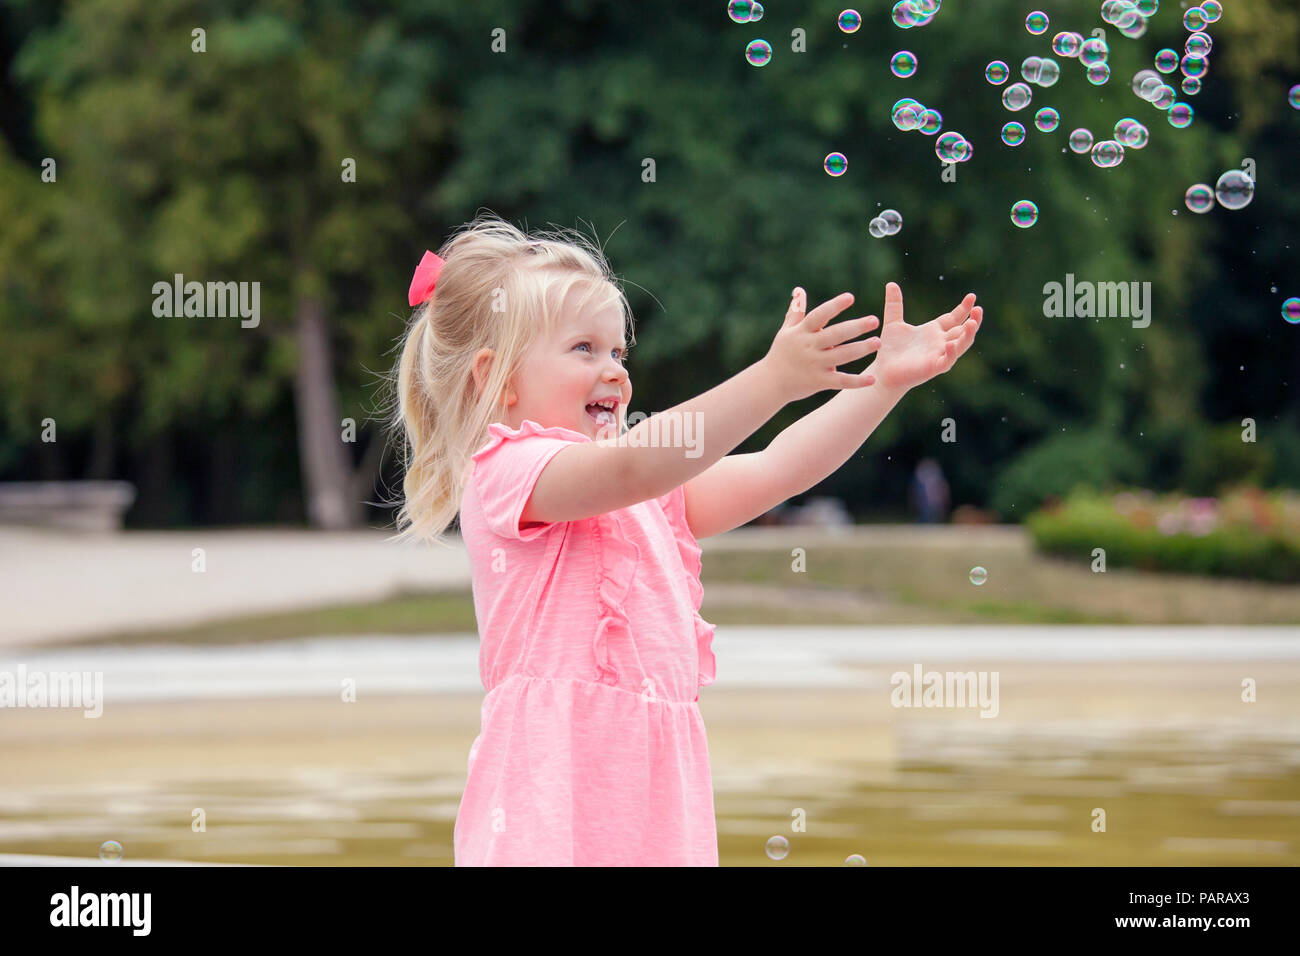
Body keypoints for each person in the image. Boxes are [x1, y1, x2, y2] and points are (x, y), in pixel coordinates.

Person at [388, 211, 983, 865]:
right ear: (496, 380)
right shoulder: (509, 471)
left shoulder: (647, 497)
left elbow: (777, 468)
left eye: (618, 351)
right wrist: (772, 381)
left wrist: (884, 385)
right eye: (583, 349)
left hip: (654, 807)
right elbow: (634, 463)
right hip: (548, 812)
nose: (614, 370)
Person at [910, 457, 951, 523]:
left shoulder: (921, 477)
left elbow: (943, 489)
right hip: (928, 506)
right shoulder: (936, 476)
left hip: (933, 506)